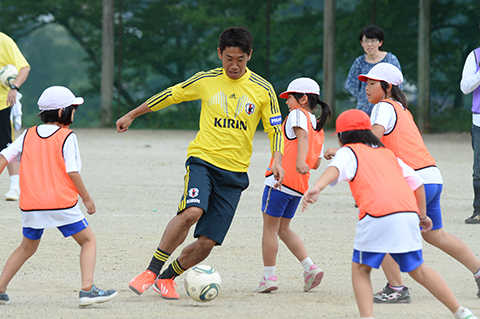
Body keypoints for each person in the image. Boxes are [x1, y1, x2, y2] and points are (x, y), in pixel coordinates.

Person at [116, 26, 284, 300]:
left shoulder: (263, 89)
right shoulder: (206, 80)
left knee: (206, 243)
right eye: (229, 58)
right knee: (192, 212)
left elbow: (275, 129)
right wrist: (132, 114)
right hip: (203, 161)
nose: (234, 65)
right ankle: (151, 271)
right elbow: (170, 94)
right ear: (219, 54)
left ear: (250, 56)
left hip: (235, 174)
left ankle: (167, 278)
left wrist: (277, 159)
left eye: (240, 59)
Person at [302, 109, 477, 319]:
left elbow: (335, 169)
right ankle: (462, 312)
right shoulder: (387, 153)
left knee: (360, 269)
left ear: (342, 137)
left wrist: (317, 187)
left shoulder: (349, 151)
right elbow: (417, 183)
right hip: (407, 213)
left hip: (376, 214)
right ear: (368, 131)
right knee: (418, 270)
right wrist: (422, 216)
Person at [355, 62, 480, 303]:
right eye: (366, 84)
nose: (366, 88)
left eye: (371, 83)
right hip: (432, 177)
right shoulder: (402, 109)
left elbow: (372, 141)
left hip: (411, 181)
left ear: (387, 87)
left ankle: (396, 288)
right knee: (436, 235)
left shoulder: (383, 107)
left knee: (382, 230)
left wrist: (345, 151)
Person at [0, 86, 118, 307]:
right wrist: (87, 198)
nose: (75, 113)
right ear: (62, 112)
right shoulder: (67, 136)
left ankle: (0, 288)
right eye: (73, 109)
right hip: (61, 203)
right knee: (88, 240)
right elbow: (72, 171)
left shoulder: (28, 134)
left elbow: (5, 156)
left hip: (32, 205)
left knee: (27, 247)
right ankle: (87, 289)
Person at [255, 78, 331, 293]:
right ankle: (310, 268)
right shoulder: (318, 125)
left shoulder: (298, 115)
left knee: (270, 229)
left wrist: (298, 162)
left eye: (289, 97)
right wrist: (305, 161)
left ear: (303, 99)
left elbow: (302, 137)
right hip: (298, 186)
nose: (287, 102)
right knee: (283, 229)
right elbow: (315, 162)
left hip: (280, 181)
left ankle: (269, 277)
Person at [345, 25, 402, 116]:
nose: (369, 44)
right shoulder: (359, 62)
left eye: (373, 41)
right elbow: (350, 84)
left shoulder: (391, 60)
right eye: (366, 41)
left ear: (380, 42)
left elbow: (398, 84)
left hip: (386, 108)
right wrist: (364, 95)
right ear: (361, 43)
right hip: (364, 109)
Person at [0, 31, 31, 201]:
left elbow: (24, 67)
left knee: (6, 147)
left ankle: (14, 187)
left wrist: (14, 87)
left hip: (2, 104)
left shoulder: (4, 41)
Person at [460, 39, 480, 224]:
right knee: (479, 169)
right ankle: (478, 210)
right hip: (479, 121)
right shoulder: (475, 56)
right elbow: (465, 88)